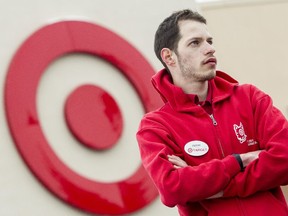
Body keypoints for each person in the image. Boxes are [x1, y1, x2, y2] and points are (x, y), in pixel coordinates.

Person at [136, 9, 288, 216]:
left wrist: (219, 187)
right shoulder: (156, 126)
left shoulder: (250, 98)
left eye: (210, 41)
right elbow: (172, 188)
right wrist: (239, 161)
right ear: (169, 57)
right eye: (195, 43)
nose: (209, 49)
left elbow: (285, 158)